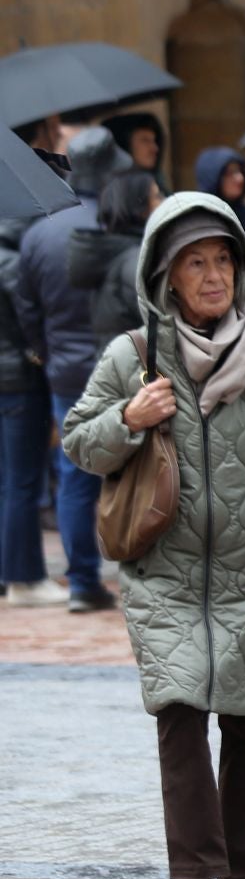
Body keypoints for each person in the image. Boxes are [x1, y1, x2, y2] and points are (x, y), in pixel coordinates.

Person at [61, 192, 245, 879]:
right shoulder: (134, 356)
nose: (213, 276)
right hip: (164, 572)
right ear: (166, 276)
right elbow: (77, 439)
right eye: (195, 264)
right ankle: (192, 876)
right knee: (179, 712)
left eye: (222, 261)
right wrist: (128, 418)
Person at [16, 126, 131, 613]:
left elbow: (25, 306)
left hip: (64, 368)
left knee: (75, 473)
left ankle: (82, 579)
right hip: (118, 363)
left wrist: (46, 349)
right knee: (139, 466)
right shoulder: (114, 227)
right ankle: (132, 570)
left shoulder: (39, 231)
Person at [1, 198, 57, 605]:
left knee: (9, 481)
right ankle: (24, 578)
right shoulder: (12, 263)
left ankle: (10, 573)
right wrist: (37, 352)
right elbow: (29, 317)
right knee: (23, 482)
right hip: (18, 381)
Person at [70, 168, 164, 351]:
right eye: (157, 197)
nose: (164, 202)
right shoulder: (135, 261)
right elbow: (162, 330)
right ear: (140, 209)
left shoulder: (115, 252)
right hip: (139, 372)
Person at [103, 112, 168, 191]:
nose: (155, 148)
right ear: (124, 145)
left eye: (154, 141)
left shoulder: (157, 185)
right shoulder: (112, 193)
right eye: (145, 140)